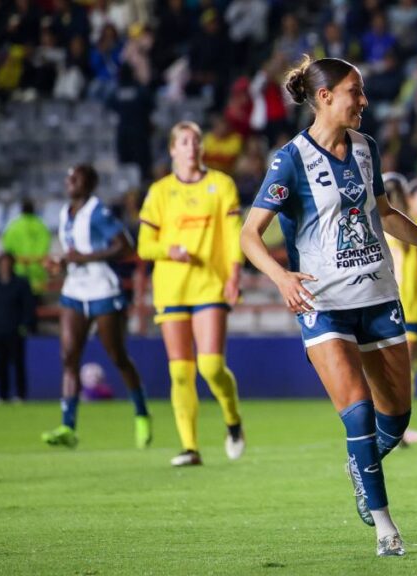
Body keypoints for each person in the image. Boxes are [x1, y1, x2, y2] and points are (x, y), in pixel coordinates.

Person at [239, 55, 417, 557]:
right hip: (322, 303)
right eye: (354, 92)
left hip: (378, 296)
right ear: (324, 98)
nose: (363, 101)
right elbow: (249, 234)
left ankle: (359, 465)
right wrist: (280, 277)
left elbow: (384, 212)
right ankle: (386, 527)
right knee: (359, 412)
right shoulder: (290, 159)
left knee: (397, 418)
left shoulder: (366, 148)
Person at [138, 121, 245, 467]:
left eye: (196, 140)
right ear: (173, 149)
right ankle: (190, 447)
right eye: (184, 141)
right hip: (171, 288)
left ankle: (232, 419)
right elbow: (144, 245)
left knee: (211, 366)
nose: (192, 146)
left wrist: (234, 275)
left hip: (209, 284)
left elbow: (234, 235)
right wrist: (169, 250)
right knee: (181, 372)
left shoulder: (221, 184)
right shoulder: (159, 192)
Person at [41, 165, 152, 449]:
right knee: (69, 356)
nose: (69, 181)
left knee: (117, 356)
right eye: (68, 177)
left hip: (103, 290)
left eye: (75, 178)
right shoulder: (65, 213)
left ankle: (141, 413)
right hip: (74, 291)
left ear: (89, 183)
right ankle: (68, 426)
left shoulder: (98, 212)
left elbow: (125, 247)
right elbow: (74, 253)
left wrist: (84, 258)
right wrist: (61, 262)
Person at [383, 173, 417, 445]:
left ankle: (391, 425)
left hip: (386, 302)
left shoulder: (383, 222)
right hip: (409, 306)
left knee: (397, 367)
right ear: (409, 197)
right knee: (404, 369)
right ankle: (397, 428)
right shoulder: (416, 224)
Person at [0, 252, 35, 404]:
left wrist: (25, 325)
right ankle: (2, 394)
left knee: (18, 363)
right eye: (3, 263)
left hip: (15, 330)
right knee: (1, 364)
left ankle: (20, 394)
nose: (5, 266)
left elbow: (28, 306)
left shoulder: (21, 283)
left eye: (8, 263)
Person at [2, 199, 52, 299]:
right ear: (33, 210)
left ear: (22, 210)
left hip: (18, 271)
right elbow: (45, 246)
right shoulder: (41, 226)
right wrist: (33, 260)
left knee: (18, 303)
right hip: (37, 273)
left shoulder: (13, 226)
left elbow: (7, 247)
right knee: (36, 304)